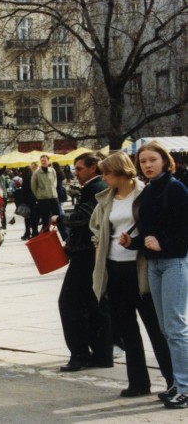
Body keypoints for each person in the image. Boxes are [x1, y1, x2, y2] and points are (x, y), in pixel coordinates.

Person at [90, 152, 173, 397]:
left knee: (155, 328)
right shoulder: (107, 198)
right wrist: (99, 243)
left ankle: (174, 381)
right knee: (127, 328)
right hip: (114, 267)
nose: (103, 177)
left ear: (119, 172)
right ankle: (138, 383)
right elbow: (96, 225)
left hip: (140, 268)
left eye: (106, 173)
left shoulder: (143, 193)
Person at [119, 142, 188, 409]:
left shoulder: (176, 189)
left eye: (153, 160)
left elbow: (182, 230)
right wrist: (132, 243)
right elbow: (149, 233)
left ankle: (184, 386)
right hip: (155, 265)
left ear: (165, 161)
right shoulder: (149, 191)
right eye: (144, 161)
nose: (147, 165)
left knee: (176, 328)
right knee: (165, 328)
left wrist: (164, 245)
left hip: (174, 263)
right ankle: (177, 383)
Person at [57, 152, 112, 372]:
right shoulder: (95, 187)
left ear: (93, 168)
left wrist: (61, 218)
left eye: (79, 168)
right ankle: (101, 354)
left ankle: (79, 354)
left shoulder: (96, 188)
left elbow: (85, 219)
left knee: (69, 302)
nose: (75, 173)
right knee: (94, 303)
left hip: (87, 254)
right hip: (88, 251)